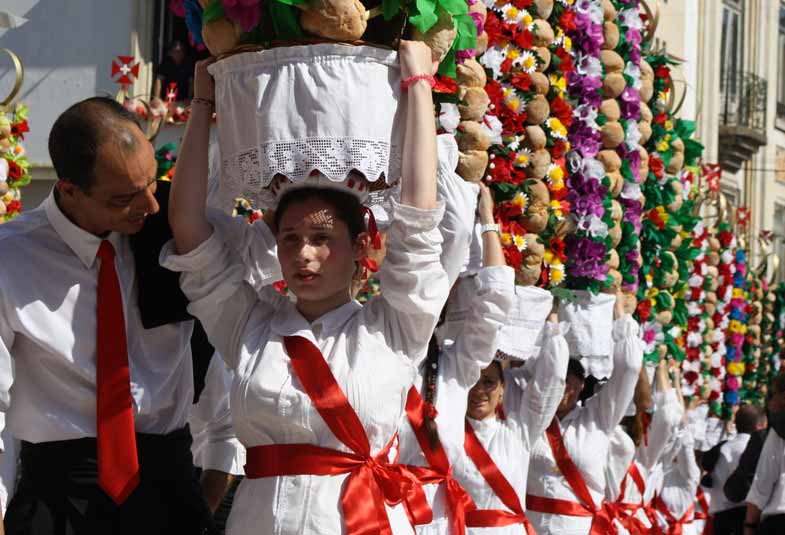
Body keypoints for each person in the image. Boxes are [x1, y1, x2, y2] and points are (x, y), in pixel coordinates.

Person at [163, 41, 449, 535]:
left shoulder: (394, 327)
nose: (304, 254)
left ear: (360, 246)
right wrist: (204, 105)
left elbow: (418, 221)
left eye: (322, 239)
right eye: (290, 238)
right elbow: (188, 228)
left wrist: (418, 86)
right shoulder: (249, 327)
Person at [0, 97, 236, 534]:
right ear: (70, 189)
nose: (149, 205)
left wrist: (202, 499)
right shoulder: (8, 258)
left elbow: (216, 389)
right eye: (124, 197)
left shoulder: (172, 233)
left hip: (170, 486)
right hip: (58, 494)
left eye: (152, 183)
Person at [397, 180, 517, 535]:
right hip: (376, 515)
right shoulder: (376, 346)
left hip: (438, 522)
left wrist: (487, 220)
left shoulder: (454, 367)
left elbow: (494, 300)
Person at [525, 295, 643, 535]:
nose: (561, 389)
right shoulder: (528, 415)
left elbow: (629, 367)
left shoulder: (598, 418)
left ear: (580, 386)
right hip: (529, 528)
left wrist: (618, 307)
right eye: (556, 381)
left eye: (568, 383)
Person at [607, 359, 684, 535]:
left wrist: (660, 368)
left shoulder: (645, 453)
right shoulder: (598, 428)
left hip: (629, 526)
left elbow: (668, 417)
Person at [706, 405, 767, 535]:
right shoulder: (754, 450)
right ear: (759, 426)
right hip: (743, 519)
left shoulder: (721, 448)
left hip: (720, 520)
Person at [743, 370, 785, 535]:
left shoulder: (779, 431)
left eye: (772, 395)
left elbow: (763, 484)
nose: (769, 402)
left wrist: (749, 527)